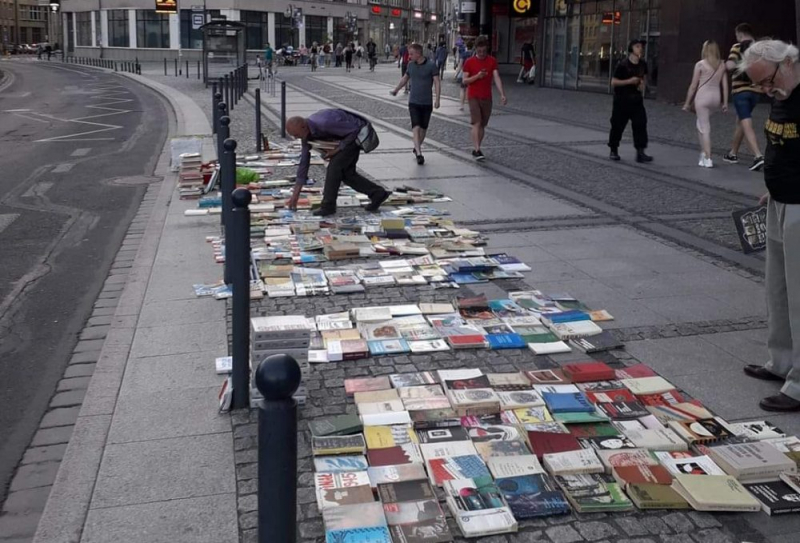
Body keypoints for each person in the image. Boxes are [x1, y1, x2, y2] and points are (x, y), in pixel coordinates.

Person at [739, 40, 800, 412]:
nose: (766, 91)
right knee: (777, 289)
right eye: (759, 85)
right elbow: (779, 146)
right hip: (781, 200)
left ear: (790, 62)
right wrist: (771, 189)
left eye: (768, 82)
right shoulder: (783, 91)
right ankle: (780, 362)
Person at [286, 110, 391, 217]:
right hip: (343, 138)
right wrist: (295, 195)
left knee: (334, 168)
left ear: (303, 127)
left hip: (355, 135)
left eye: (296, 135)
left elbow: (354, 130)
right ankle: (378, 193)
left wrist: (336, 150)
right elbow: (304, 163)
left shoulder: (325, 123)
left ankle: (328, 206)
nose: (295, 138)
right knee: (347, 175)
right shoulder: (306, 133)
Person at [390, 43, 441, 165]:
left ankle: (417, 146)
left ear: (418, 53)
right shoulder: (411, 65)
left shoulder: (431, 65)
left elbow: (437, 82)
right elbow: (405, 78)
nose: (409, 56)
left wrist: (437, 99)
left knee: (423, 129)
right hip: (414, 102)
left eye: (411, 54)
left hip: (426, 102)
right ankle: (419, 153)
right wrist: (396, 89)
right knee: (416, 127)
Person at [724, 23, 765, 171]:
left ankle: (758, 156)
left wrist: (725, 65)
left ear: (740, 34)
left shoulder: (737, 47)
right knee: (740, 122)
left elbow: (730, 65)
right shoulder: (759, 49)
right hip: (755, 92)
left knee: (746, 123)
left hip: (740, 91)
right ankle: (732, 153)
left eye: (737, 36)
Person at [682, 41, 729, 168]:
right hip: (716, 98)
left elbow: (693, 86)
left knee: (705, 127)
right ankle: (703, 153)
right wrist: (725, 103)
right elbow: (725, 86)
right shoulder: (722, 64)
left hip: (702, 97)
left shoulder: (700, 64)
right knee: (700, 124)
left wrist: (687, 103)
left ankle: (708, 157)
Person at [462, 36, 507, 161]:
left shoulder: (492, 61)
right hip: (473, 96)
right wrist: (477, 76)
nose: (481, 54)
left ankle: (477, 147)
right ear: (475, 49)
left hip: (487, 96)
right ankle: (477, 149)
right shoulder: (469, 62)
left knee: (482, 124)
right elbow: (465, 80)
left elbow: (496, 77)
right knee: (476, 122)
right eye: (479, 51)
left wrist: (502, 94)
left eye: (484, 51)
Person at [608, 40, 652, 163]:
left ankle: (640, 152)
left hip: (636, 100)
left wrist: (642, 85)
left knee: (640, 124)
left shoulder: (643, 64)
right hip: (621, 100)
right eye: (637, 46)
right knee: (617, 125)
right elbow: (614, 82)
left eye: (641, 47)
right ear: (631, 49)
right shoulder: (622, 64)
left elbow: (644, 80)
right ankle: (613, 149)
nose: (640, 49)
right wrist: (629, 81)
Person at [456, 41, 473, 111]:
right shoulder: (473, 54)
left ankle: (461, 105)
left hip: (464, 73)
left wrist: (456, 74)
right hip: (472, 73)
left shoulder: (463, 54)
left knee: (462, 89)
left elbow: (460, 64)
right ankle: (469, 104)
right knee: (469, 89)